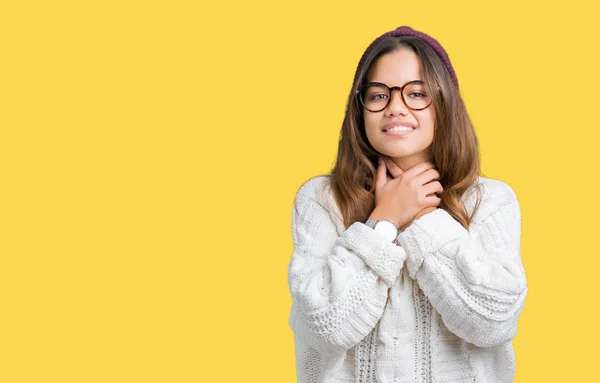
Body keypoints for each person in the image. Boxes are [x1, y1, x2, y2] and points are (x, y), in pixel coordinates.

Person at [287, 26, 528, 383]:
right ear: (360, 109)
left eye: (417, 93)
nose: (395, 107)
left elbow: (494, 321)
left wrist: (422, 217)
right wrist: (384, 223)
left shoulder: (489, 201)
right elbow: (322, 326)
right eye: (379, 95)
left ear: (444, 103)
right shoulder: (322, 199)